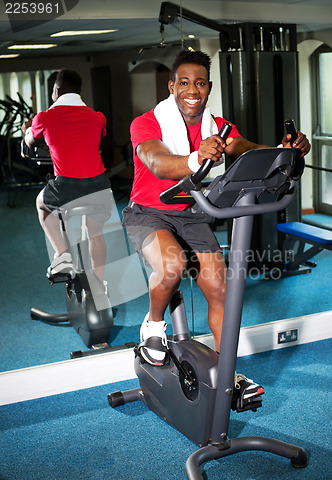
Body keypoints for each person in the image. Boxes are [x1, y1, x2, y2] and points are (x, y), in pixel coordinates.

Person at [123, 49, 310, 402]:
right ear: (171, 86)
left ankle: (228, 373)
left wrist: (284, 151)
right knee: (172, 265)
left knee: (221, 291)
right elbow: (157, 162)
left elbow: (245, 148)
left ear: (208, 88)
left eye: (199, 83)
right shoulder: (146, 122)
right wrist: (197, 157)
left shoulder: (219, 127)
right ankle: (152, 325)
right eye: (184, 82)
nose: (192, 89)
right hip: (149, 212)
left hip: (195, 212)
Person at [22, 69, 113, 286]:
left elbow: (30, 142)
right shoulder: (98, 117)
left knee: (41, 205)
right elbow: (94, 138)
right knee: (95, 232)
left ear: (56, 90)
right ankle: (100, 285)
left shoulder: (43, 117)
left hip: (66, 188)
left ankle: (63, 255)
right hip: (99, 187)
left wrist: (27, 129)